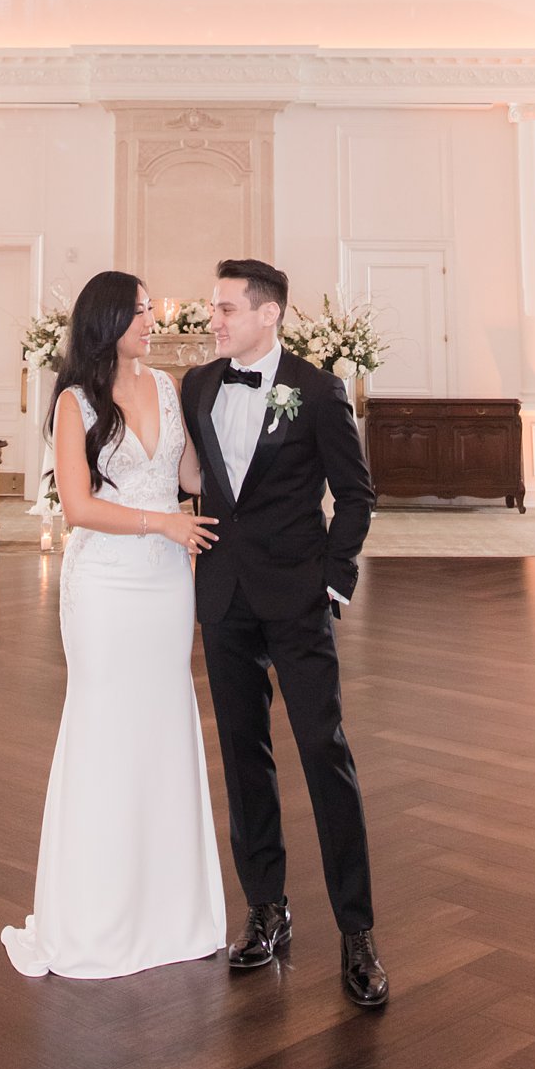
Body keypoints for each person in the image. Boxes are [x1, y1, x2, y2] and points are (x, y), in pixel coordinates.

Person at [1, 270, 226, 978]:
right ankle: (96, 913)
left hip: (165, 586)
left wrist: (214, 413)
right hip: (104, 583)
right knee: (106, 727)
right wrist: (159, 521)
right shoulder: (75, 400)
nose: (151, 320)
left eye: (151, 309)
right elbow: (77, 506)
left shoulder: (166, 386)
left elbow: (188, 477)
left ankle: (169, 910)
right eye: (138, 310)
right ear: (106, 319)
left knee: (162, 724)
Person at [181, 258, 388, 1009]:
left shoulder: (320, 387)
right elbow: (194, 480)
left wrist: (332, 579)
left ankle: (358, 931)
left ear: (268, 314)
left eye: (226, 308)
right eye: (213, 307)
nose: (214, 319)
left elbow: (357, 494)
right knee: (243, 755)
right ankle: (266, 907)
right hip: (224, 597)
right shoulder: (199, 385)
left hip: (298, 599)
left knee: (323, 753)